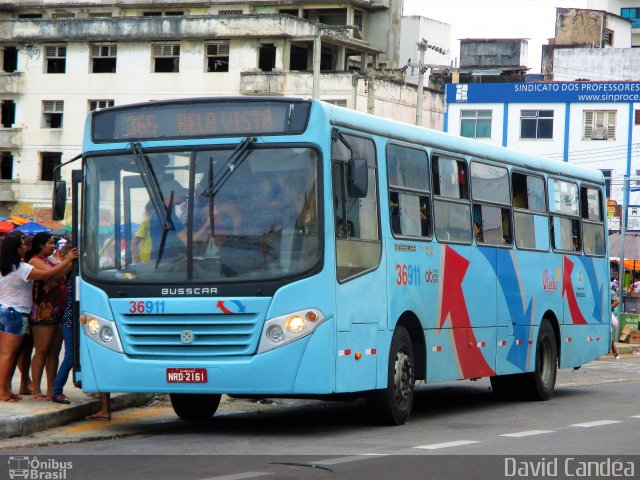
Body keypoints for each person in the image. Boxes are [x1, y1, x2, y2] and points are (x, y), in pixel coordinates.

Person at [0, 235, 78, 402]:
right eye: (21, 245)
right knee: (10, 354)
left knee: (10, 354)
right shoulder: (25, 266)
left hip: (9, 310)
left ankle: (7, 389)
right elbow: (49, 275)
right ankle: (8, 391)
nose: (24, 247)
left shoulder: (8, 267)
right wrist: (68, 260)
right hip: (23, 313)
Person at [28, 232, 73, 400]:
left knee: (54, 352)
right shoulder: (35, 261)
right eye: (50, 243)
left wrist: (72, 261)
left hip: (58, 310)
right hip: (43, 311)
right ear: (40, 245)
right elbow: (52, 274)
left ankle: (51, 388)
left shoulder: (53, 260)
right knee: (41, 351)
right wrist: (68, 261)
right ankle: (36, 390)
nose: (53, 246)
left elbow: (61, 273)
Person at [51, 245, 74, 404]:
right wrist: (68, 260)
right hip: (70, 317)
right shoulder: (70, 266)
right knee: (70, 355)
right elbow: (57, 275)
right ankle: (56, 390)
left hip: (76, 316)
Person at [611, 288, 620, 360]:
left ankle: (615, 353)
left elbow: (617, 302)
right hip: (597, 315)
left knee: (608, 336)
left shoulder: (611, 292)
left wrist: (608, 308)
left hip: (607, 315)